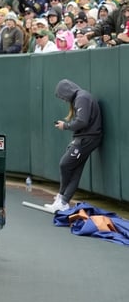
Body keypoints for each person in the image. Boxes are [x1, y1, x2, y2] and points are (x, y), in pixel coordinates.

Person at [46, 79, 102, 212]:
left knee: (65, 164)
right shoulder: (80, 97)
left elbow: (82, 122)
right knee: (75, 171)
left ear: (67, 91)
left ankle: (62, 198)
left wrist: (65, 125)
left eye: (63, 97)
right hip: (86, 138)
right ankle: (63, 201)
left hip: (88, 138)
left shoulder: (82, 98)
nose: (64, 100)